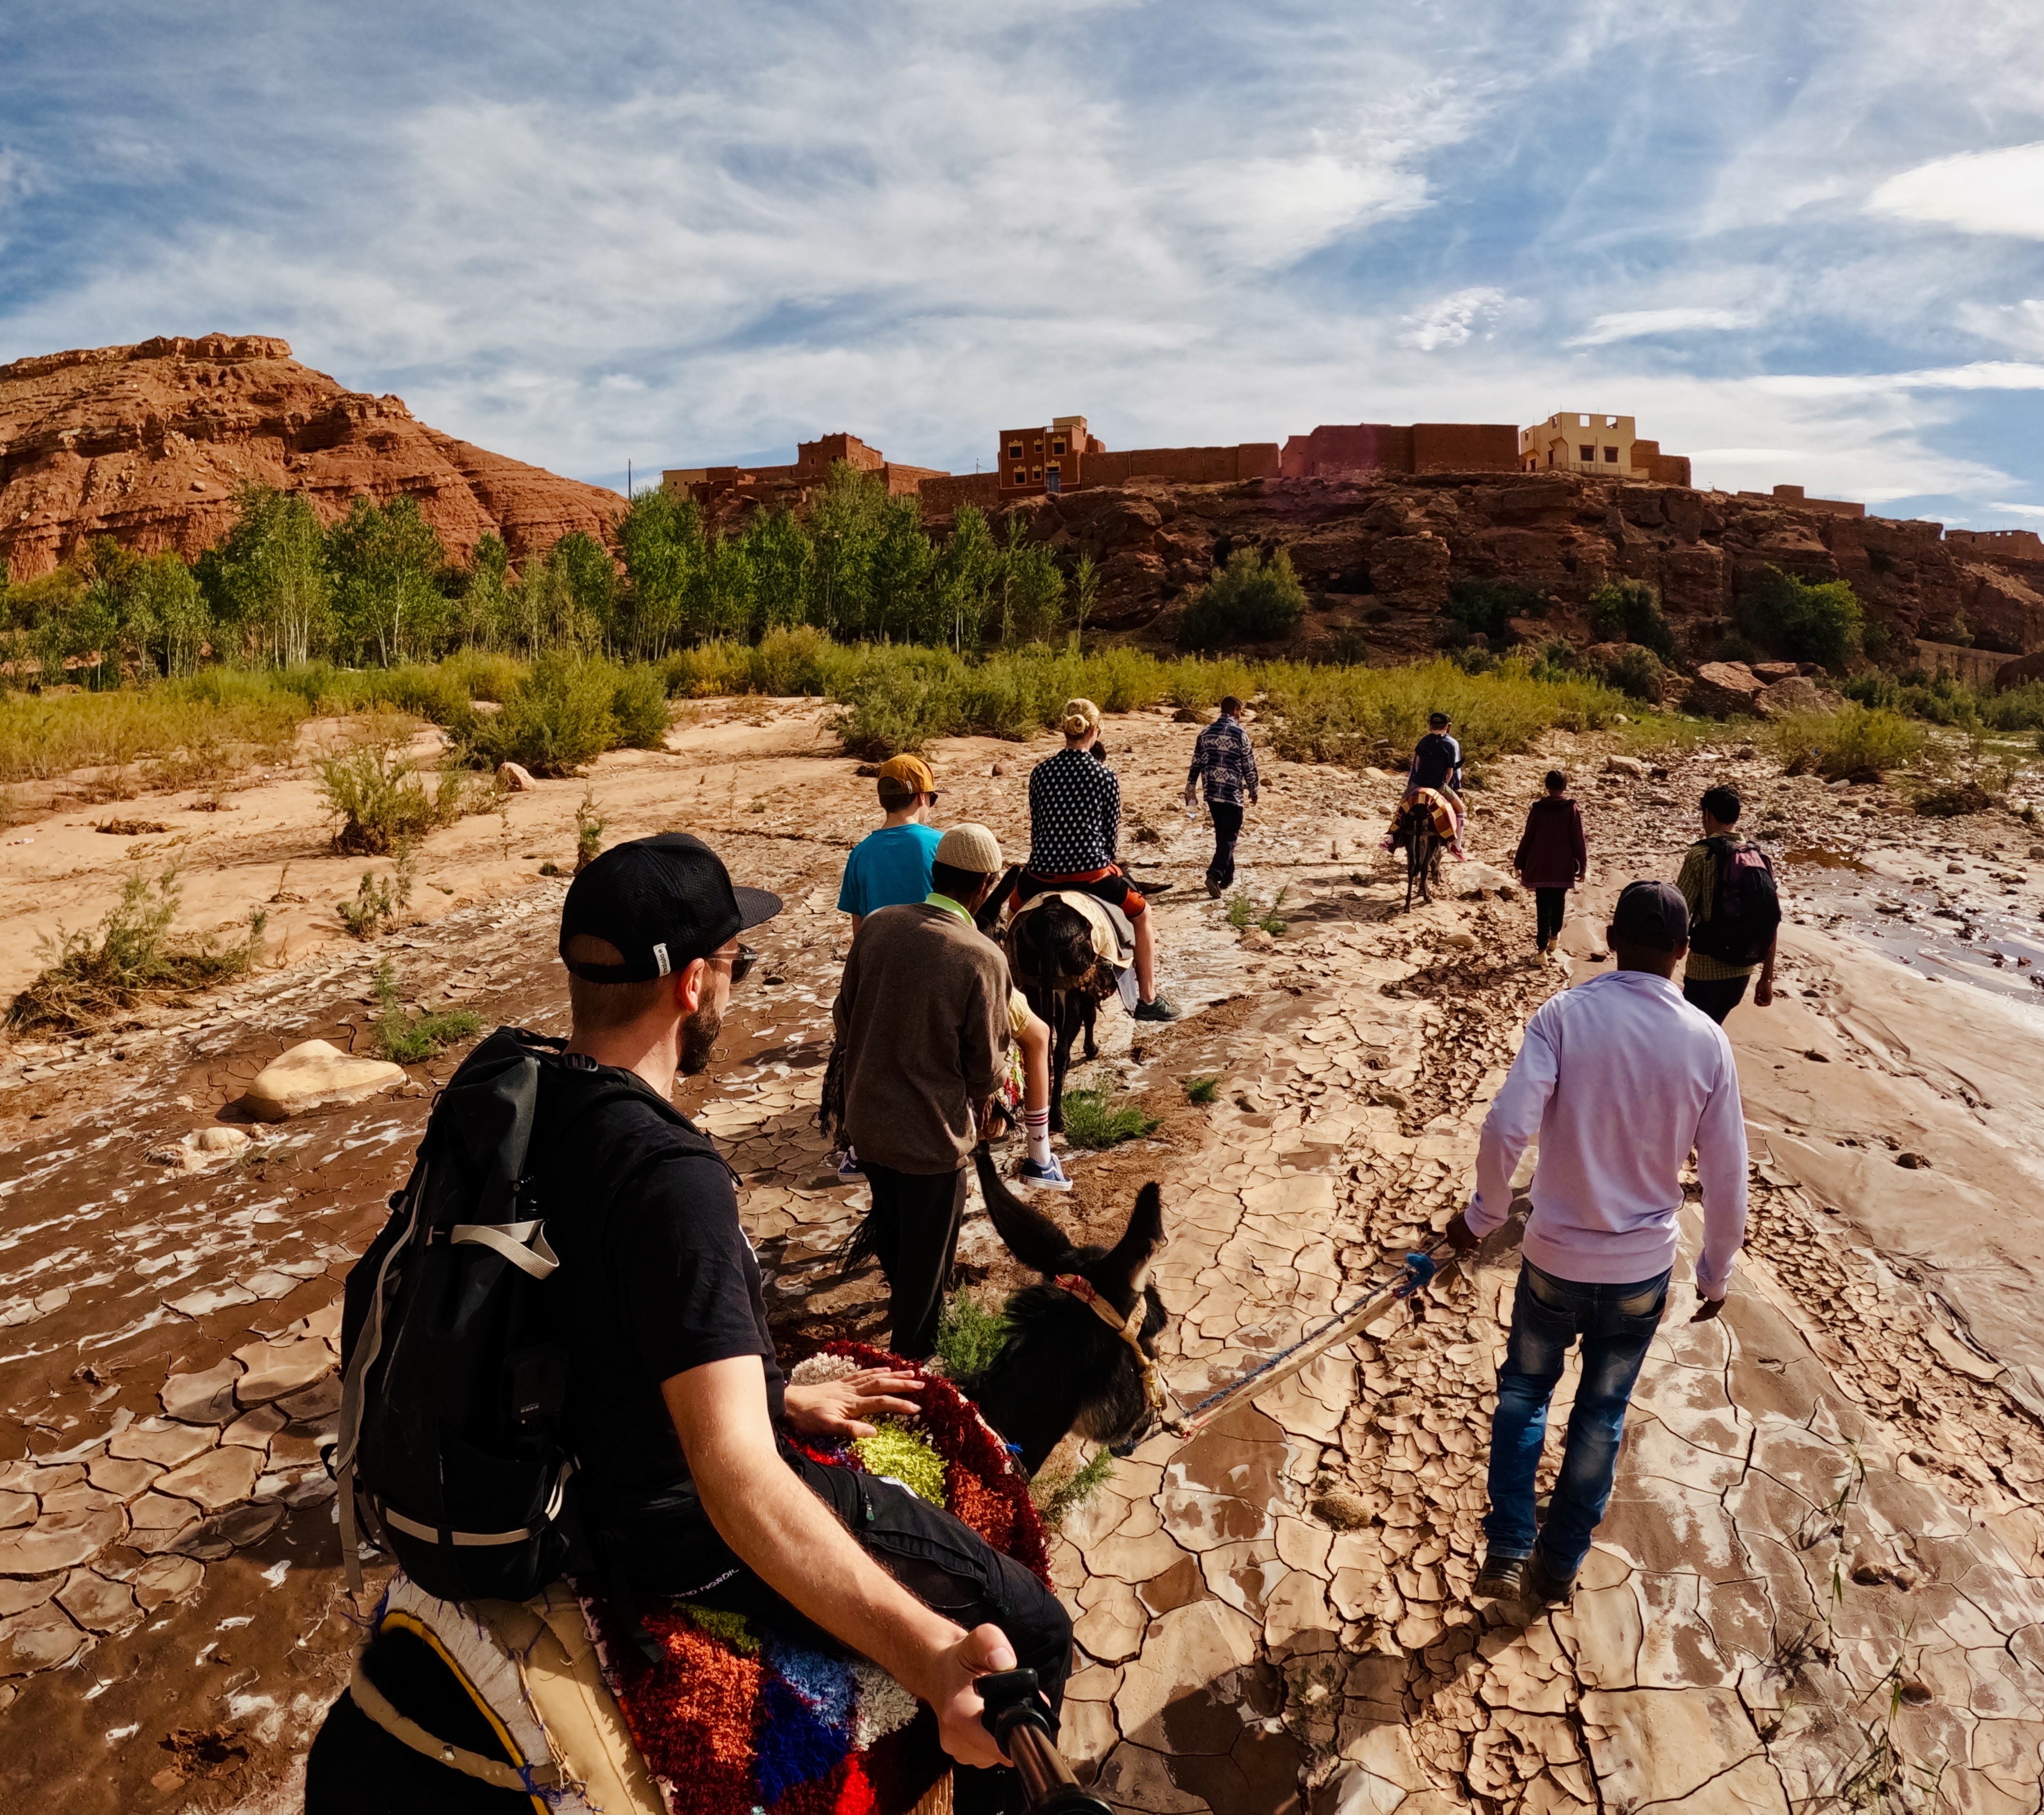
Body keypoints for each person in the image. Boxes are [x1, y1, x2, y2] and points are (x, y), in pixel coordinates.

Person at [533, 833, 1069, 1808]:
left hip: (572, 1462)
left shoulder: (519, 1099)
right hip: (668, 1531)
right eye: (738, 964)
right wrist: (934, 1657)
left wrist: (771, 1388)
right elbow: (736, 1482)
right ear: (693, 984)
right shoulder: (668, 1177)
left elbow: (600, 1320)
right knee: (1031, 1626)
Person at [1445, 880, 1747, 1607]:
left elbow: (1505, 1128)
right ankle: (1560, 1562)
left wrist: (1482, 1215)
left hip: (1552, 1256)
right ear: (1684, 950)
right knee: (1600, 1414)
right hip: (1641, 1269)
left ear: (1611, 937)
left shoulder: (1563, 1016)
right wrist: (1714, 1272)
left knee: (1524, 1393)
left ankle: (1511, 1545)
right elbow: (1728, 1174)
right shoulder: (1707, 1041)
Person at [833, 824, 1034, 1359]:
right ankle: (913, 1370)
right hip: (932, 1139)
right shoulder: (981, 956)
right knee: (926, 1268)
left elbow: (844, 1020)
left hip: (869, 1126)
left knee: (896, 1237)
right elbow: (984, 1069)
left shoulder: (877, 927)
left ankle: (918, 1320)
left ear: (936, 874)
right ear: (988, 886)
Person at [1007, 697, 1178, 1021]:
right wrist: (1105, 861)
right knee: (1143, 914)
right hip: (1092, 874)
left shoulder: (1040, 773)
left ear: (1064, 730)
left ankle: (1009, 993)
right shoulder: (1105, 776)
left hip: (1041, 874)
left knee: (1013, 914)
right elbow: (1110, 834)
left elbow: (1038, 824)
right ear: (1095, 731)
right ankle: (1147, 998)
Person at [1674, 785, 1777, 1024]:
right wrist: (1767, 978)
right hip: (1743, 971)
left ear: (1707, 814)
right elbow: (1770, 919)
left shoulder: (1701, 855)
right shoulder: (1758, 857)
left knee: (1692, 1032)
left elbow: (1679, 913)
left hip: (1705, 970)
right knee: (1714, 1027)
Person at [838, 754, 943, 935]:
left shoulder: (859, 854)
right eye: (931, 799)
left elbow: (859, 929)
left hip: (878, 959)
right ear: (921, 798)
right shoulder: (941, 844)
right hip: (932, 957)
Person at [1185, 695, 1260, 898]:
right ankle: (1214, 874)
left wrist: (1191, 789)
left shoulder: (1206, 733)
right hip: (1232, 793)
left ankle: (1228, 877)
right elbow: (1249, 766)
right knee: (1230, 836)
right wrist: (1254, 789)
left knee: (1223, 834)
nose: (1242, 716)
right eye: (1241, 712)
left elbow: (1196, 764)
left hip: (1212, 792)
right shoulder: (1240, 734)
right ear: (1236, 710)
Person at [1513, 770, 1587, 955]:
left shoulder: (1538, 809)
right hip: (1562, 866)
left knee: (1543, 906)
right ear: (1565, 787)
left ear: (1547, 786)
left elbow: (1528, 836)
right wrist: (1583, 865)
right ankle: (1554, 937)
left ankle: (1541, 951)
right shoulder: (1571, 810)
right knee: (1559, 901)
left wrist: (1520, 860)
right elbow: (1578, 839)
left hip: (1541, 865)